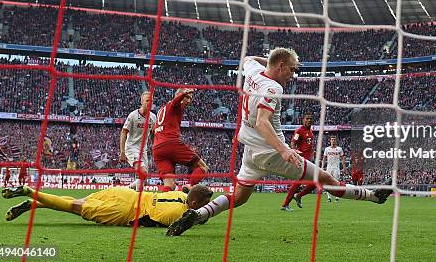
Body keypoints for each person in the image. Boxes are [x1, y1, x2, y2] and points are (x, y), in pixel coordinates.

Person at [166, 48, 392, 237]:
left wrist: (270, 61)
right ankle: (373, 196)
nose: (293, 75)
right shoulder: (273, 88)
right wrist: (283, 150)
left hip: (250, 151)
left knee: (239, 197)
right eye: (292, 69)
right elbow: (264, 122)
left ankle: (199, 215)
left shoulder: (254, 72)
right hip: (270, 152)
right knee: (325, 178)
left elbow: (248, 59)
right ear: (281, 66)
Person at [2, 184, 213, 227]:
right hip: (123, 212)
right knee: (73, 207)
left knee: (79, 201)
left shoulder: (178, 194)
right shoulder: (177, 213)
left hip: (124, 193)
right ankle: (31, 192)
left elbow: (187, 190)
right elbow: (168, 223)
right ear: (194, 204)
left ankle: (34, 204)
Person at [152, 88, 209, 192]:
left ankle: (164, 204)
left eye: (190, 98)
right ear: (179, 95)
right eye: (187, 97)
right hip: (171, 143)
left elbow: (153, 130)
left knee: (170, 185)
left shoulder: (162, 109)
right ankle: (189, 186)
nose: (189, 101)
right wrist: (183, 94)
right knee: (204, 167)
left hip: (157, 149)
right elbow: (176, 101)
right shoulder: (174, 105)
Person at [120, 91, 157, 191]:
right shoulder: (133, 116)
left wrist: (155, 148)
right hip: (131, 148)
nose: (149, 103)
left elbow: (154, 134)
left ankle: (128, 189)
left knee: (144, 180)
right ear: (142, 102)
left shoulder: (153, 118)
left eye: (151, 101)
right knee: (143, 173)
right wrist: (122, 152)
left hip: (143, 150)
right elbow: (123, 132)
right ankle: (137, 202)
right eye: (147, 101)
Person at [280, 113, 314, 211]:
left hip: (309, 161)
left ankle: (298, 196)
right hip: (302, 161)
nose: (309, 120)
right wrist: (295, 154)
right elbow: (293, 143)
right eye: (307, 118)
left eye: (310, 119)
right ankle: (285, 204)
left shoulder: (310, 131)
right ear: (303, 120)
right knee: (298, 182)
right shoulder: (299, 131)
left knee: (314, 182)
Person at [322, 135, 346, 203]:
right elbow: (324, 158)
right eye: (332, 139)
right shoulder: (327, 149)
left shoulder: (339, 149)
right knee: (327, 182)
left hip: (336, 168)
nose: (333, 141)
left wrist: (344, 167)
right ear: (330, 141)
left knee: (337, 183)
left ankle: (337, 197)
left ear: (336, 141)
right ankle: (329, 197)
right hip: (329, 168)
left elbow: (343, 158)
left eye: (334, 139)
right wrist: (322, 166)